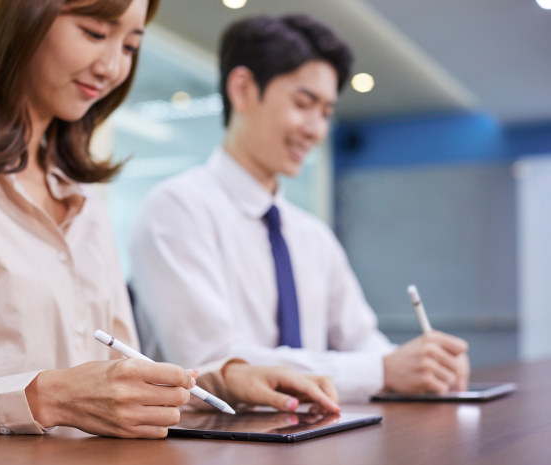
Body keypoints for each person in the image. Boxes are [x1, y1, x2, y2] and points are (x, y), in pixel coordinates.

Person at [0, 1, 341, 450]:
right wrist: (45, 398)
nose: (112, 68)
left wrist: (219, 381)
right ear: (20, 16)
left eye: (129, 46)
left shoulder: (85, 202)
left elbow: (116, 382)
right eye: (93, 32)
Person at [128, 14, 470, 403]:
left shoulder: (312, 235)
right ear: (242, 90)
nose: (316, 130)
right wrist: (382, 369)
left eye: (326, 112)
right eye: (303, 103)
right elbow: (212, 362)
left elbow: (362, 341)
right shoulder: (176, 210)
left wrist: (422, 363)